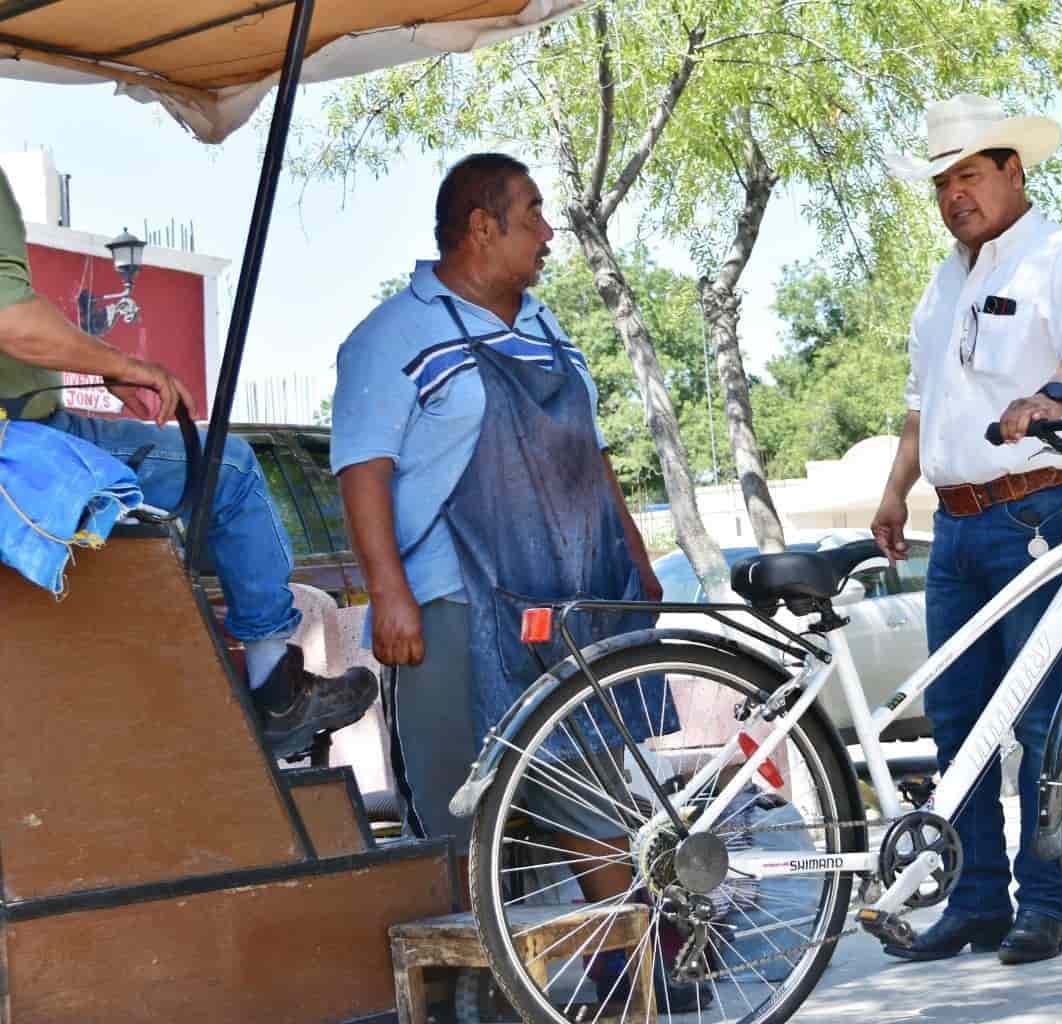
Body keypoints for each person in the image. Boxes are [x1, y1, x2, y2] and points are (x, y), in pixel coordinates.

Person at [871, 95, 1062, 966]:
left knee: (1042, 728)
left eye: (971, 176)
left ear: (1014, 172)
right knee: (958, 725)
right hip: (952, 530)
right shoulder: (942, 282)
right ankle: (978, 901)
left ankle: (1048, 905)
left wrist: (1053, 396)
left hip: (1034, 512)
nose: (956, 196)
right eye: (943, 183)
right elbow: (923, 406)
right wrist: (893, 492)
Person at [332, 153, 665, 861]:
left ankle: (632, 973)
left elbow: (594, 459)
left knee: (594, 809)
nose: (548, 233)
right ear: (482, 227)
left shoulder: (551, 331)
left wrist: (637, 562)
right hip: (450, 610)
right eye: (534, 215)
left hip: (563, 614)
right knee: (458, 823)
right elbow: (362, 471)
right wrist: (390, 595)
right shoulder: (391, 336)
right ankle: (469, 975)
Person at [0, 166, 375, 756]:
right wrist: (125, 365)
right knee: (229, 467)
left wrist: (102, 360)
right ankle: (277, 688)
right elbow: (12, 319)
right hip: (20, 436)